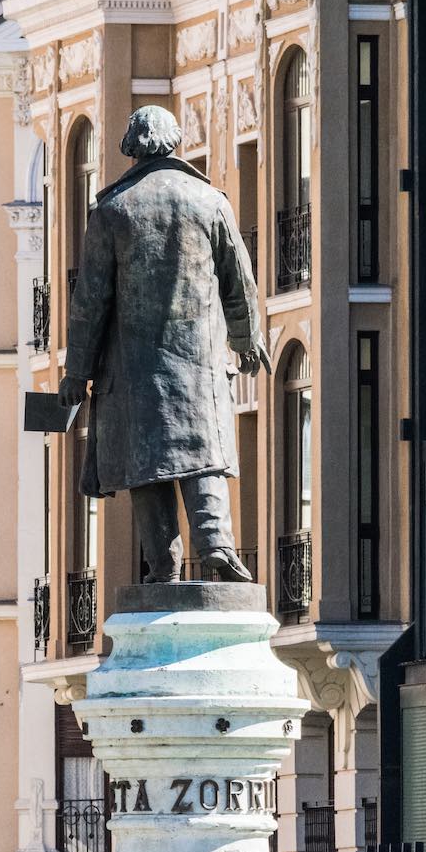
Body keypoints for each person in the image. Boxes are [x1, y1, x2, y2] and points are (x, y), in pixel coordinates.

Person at [58, 105, 268, 583]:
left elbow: (90, 300)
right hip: (200, 365)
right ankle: (215, 542)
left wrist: (77, 372)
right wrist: (246, 339)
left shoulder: (112, 211)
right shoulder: (210, 201)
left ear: (131, 149)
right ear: (176, 143)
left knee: (147, 465)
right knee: (203, 456)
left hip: (132, 372)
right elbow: (240, 282)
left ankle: (164, 564)